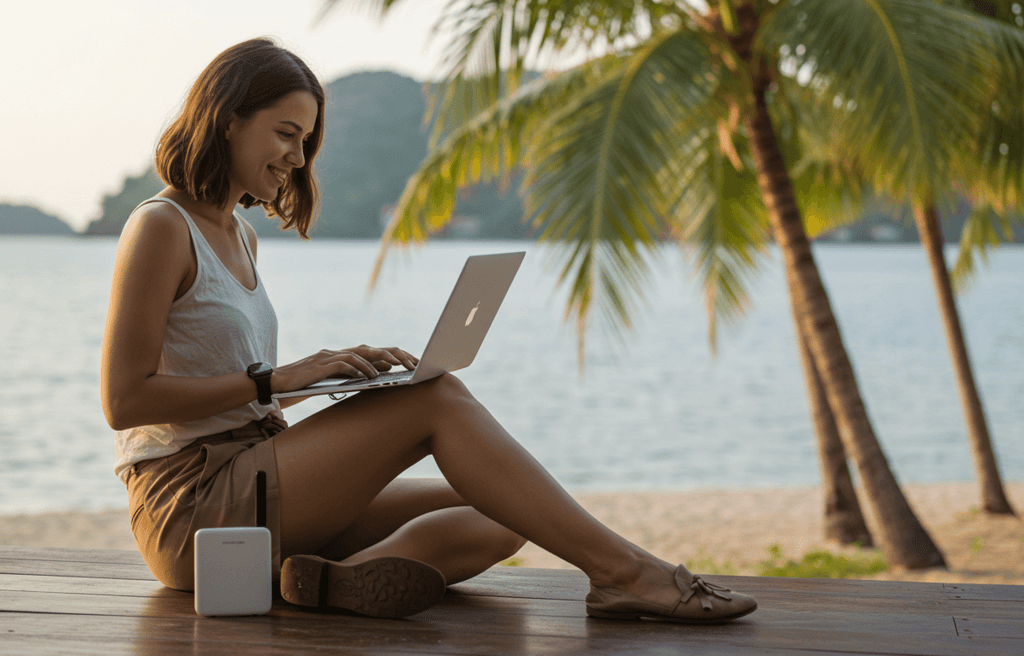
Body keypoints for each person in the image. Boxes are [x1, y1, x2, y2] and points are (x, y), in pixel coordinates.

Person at [101, 37, 757, 623]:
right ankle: (627, 575)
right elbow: (125, 402)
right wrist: (278, 378)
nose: (297, 158)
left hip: (258, 477)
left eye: (305, 142)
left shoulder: (237, 233)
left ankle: (336, 581)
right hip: (194, 507)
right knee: (433, 399)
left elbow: (231, 389)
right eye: (286, 134)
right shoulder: (162, 226)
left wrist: (320, 377)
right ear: (229, 118)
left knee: (501, 508)